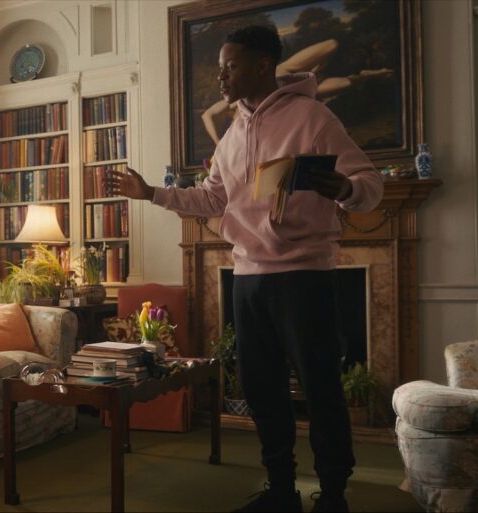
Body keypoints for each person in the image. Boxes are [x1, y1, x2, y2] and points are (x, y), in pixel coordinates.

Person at [108, 25, 382, 513]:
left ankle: (334, 495)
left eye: (230, 67)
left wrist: (345, 189)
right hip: (248, 280)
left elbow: (369, 184)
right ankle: (281, 491)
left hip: (305, 277)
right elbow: (212, 198)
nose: (221, 77)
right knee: (263, 391)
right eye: (220, 68)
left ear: (262, 65)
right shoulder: (233, 134)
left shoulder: (313, 117)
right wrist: (151, 193)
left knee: (320, 390)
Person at [201, 38, 394, 145]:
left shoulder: (237, 101)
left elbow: (206, 115)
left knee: (332, 44)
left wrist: (218, 143)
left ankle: (313, 72)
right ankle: (369, 75)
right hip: (303, 91)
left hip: (286, 71)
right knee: (348, 84)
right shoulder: (245, 126)